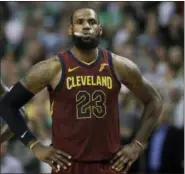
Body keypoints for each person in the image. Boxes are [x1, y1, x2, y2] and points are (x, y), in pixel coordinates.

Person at [0, 8, 162, 174]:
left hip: (108, 165)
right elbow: (8, 104)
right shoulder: (51, 68)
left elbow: (154, 101)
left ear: (100, 29)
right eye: (80, 22)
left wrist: (137, 145)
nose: (86, 26)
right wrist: (35, 146)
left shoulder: (120, 66)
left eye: (91, 22)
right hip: (67, 166)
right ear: (70, 29)